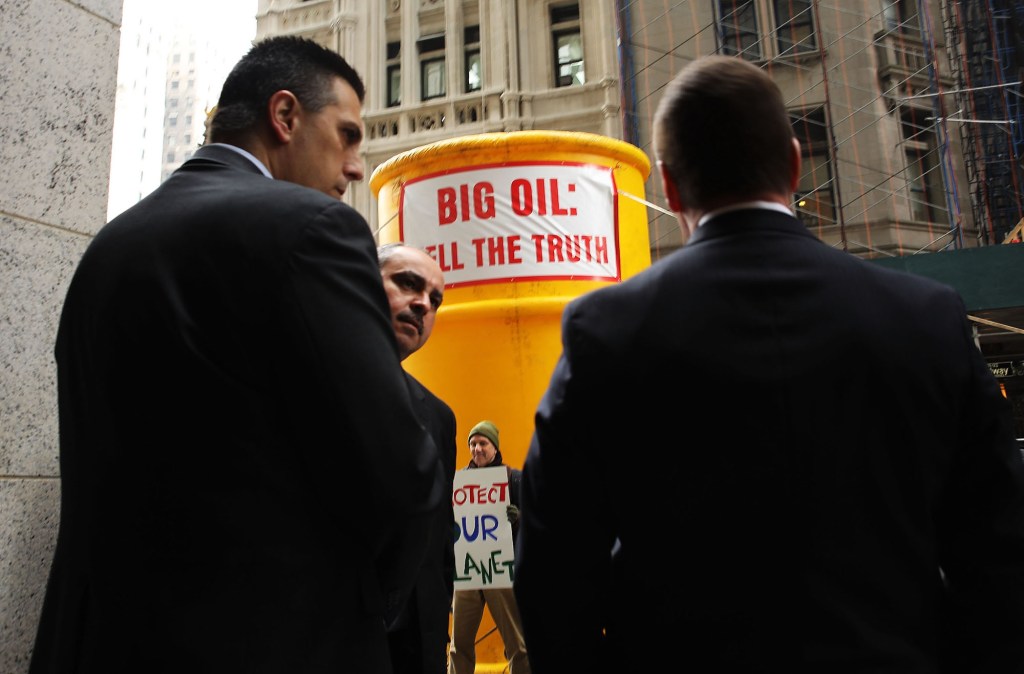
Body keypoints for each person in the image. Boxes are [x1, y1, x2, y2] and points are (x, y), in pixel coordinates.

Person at [513, 54, 1024, 673]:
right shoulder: (927, 317)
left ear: (669, 186)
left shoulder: (605, 331)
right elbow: (998, 551)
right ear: (793, 161)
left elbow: (552, 569)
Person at [30, 36, 444, 674]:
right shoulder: (314, 230)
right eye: (348, 135)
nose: (356, 166)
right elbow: (400, 475)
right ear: (285, 117)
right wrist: (370, 606)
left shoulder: (109, 249)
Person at [378, 243, 458, 674]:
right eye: (407, 283)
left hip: (419, 639)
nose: (422, 304)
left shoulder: (439, 416)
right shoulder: (299, 382)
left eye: (435, 300)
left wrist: (439, 603)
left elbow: (440, 527)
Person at [449, 421, 531, 674]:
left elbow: (533, 523)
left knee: (517, 643)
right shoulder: (459, 480)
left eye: (483, 443)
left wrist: (518, 519)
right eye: (472, 444)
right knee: (458, 644)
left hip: (500, 570)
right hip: (468, 571)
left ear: (495, 446)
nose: (477, 449)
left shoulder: (513, 478)